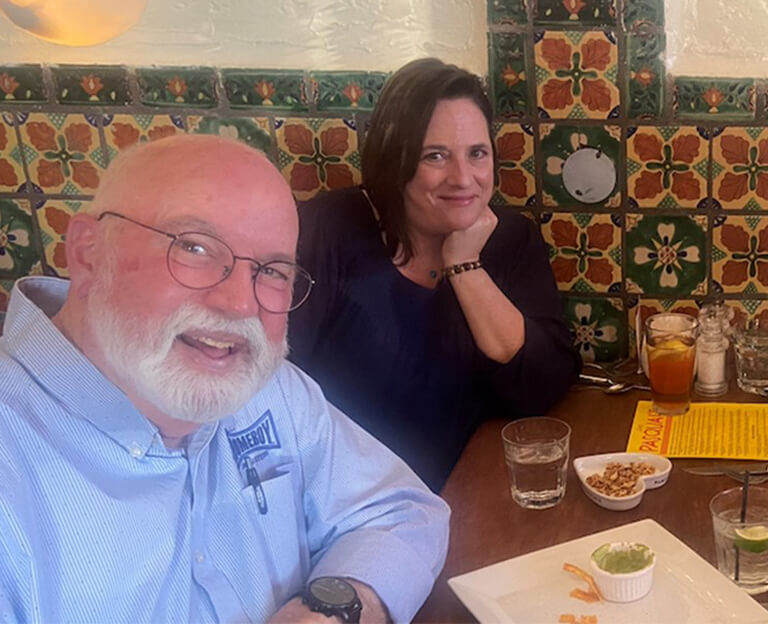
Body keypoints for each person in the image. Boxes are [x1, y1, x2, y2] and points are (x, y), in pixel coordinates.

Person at [0, 135, 449, 623]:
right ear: (88, 252)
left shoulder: (270, 391)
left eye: (274, 271)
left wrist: (330, 609)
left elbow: (403, 511)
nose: (240, 304)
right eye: (194, 247)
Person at [289, 58, 579, 492]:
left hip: (471, 492)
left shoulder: (510, 239)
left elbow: (541, 387)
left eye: (477, 154)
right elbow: (273, 383)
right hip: (343, 501)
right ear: (395, 159)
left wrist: (465, 267)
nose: (464, 179)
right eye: (435, 156)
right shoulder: (328, 230)